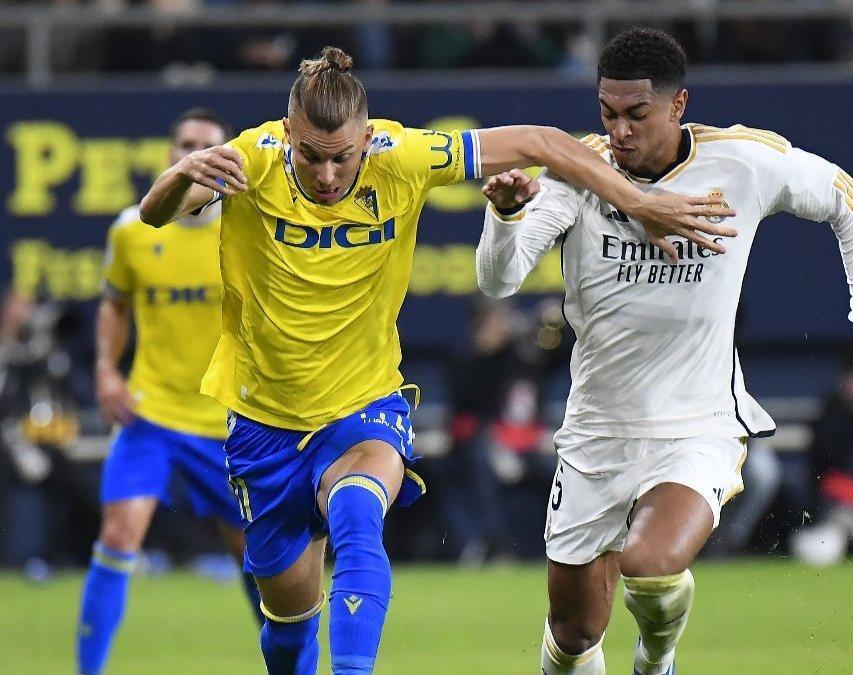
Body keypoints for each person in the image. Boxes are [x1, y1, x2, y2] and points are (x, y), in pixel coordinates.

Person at [137, 45, 734, 674]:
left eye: (344, 156)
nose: (329, 175)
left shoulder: (405, 157)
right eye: (312, 156)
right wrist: (182, 175)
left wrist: (641, 204)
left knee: (359, 518)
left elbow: (549, 143)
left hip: (362, 404)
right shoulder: (252, 160)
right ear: (288, 135)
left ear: (367, 138)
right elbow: (155, 216)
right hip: (264, 422)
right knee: (287, 625)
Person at [475, 27, 853, 675]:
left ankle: (655, 659)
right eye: (607, 113)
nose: (619, 131)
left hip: (697, 424)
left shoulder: (741, 162)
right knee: (573, 632)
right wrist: (506, 217)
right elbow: (499, 280)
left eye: (637, 114)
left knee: (650, 567)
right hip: (595, 432)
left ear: (677, 105)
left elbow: (846, 201)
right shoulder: (579, 172)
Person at [76, 108, 262, 675]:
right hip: (151, 415)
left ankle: (288, 663)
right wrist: (107, 370)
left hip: (227, 424)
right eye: (187, 145)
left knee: (259, 563)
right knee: (117, 534)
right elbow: (114, 304)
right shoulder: (131, 230)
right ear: (169, 156)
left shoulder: (245, 228)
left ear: (225, 160)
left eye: (208, 146)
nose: (197, 155)